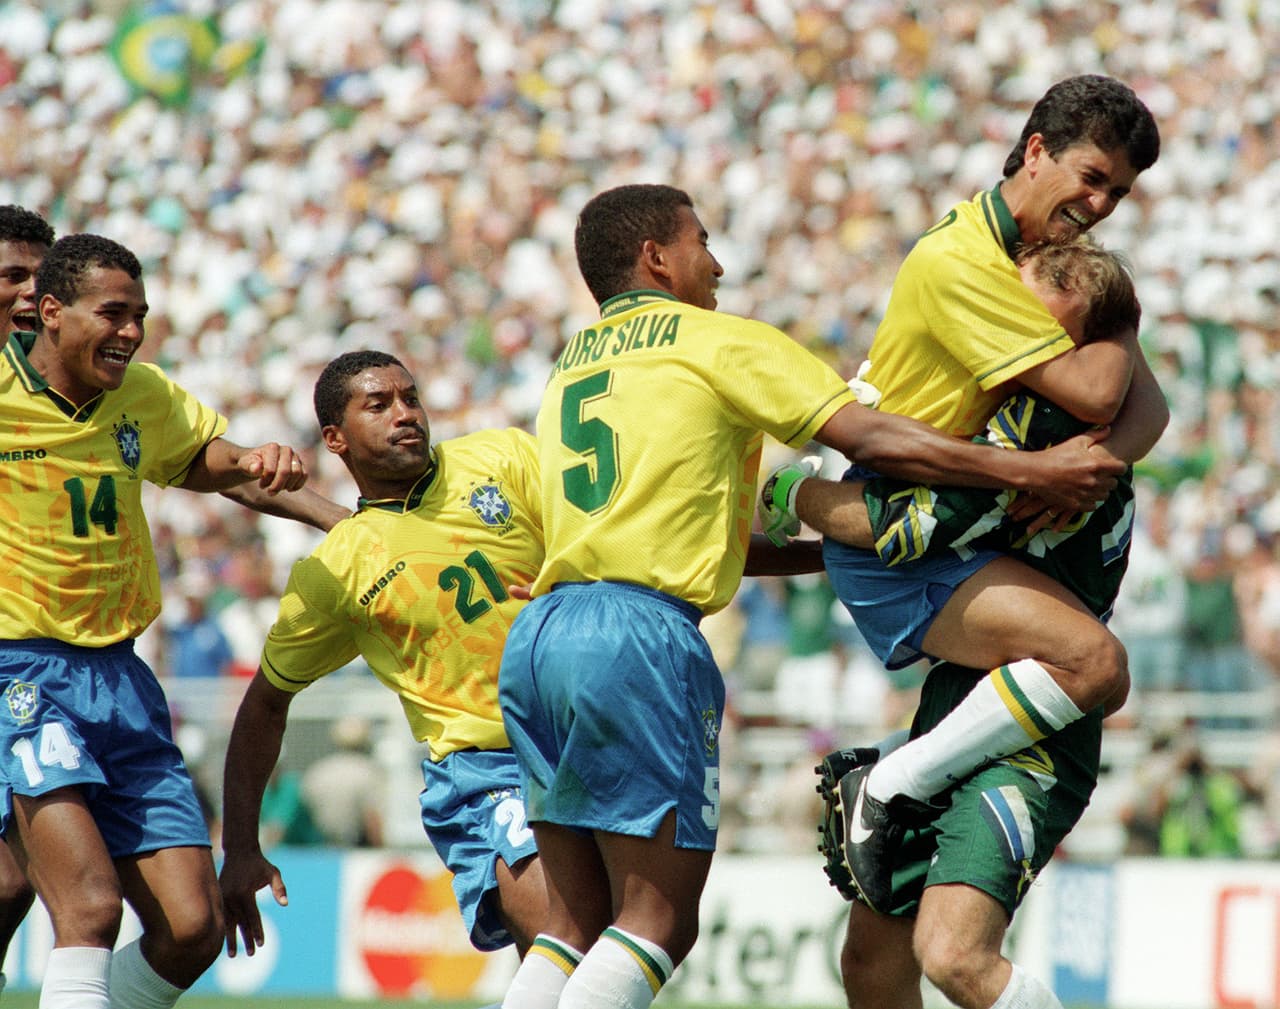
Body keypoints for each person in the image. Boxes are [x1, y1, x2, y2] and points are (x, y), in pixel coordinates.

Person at [494, 183, 1125, 1009]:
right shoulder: (717, 340)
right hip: (640, 635)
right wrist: (1026, 471)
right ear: (656, 258)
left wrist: (817, 540)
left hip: (544, 629)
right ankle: (896, 781)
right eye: (701, 240)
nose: (716, 262)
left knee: (572, 925)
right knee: (655, 921)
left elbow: (699, 533)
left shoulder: (574, 362)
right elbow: (866, 436)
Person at [762, 74, 1166, 915]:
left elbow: (1147, 408)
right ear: (1035, 151)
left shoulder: (1044, 265)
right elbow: (1101, 394)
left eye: (1119, 192)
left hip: (957, 524)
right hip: (909, 525)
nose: (1100, 203)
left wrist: (1090, 469)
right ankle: (885, 786)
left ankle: (888, 792)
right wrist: (1114, 341)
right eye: (1091, 178)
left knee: (884, 934)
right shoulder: (964, 263)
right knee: (1094, 663)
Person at [789, 235, 1146, 1009]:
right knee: (872, 964)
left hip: (1038, 720)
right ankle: (894, 778)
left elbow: (913, 523)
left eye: (1025, 309)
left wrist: (792, 495)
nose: (1002, 323)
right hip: (970, 694)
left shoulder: (1046, 421)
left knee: (953, 954)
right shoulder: (1062, 404)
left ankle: (892, 780)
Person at [0, 233, 310, 1009]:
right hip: (23, 673)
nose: (132, 331)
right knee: (90, 908)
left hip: (123, 678)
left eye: (140, 314)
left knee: (193, 926)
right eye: (113, 313)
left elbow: (215, 462)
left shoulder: (144, 396)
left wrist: (347, 522)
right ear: (50, 314)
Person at [218, 349, 549, 961]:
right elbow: (265, 706)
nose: (406, 414)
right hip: (487, 768)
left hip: (585, 741)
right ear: (335, 439)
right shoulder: (336, 572)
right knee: (562, 937)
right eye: (380, 404)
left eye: (411, 398)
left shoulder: (502, 458)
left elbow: (616, 536)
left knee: (616, 950)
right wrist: (240, 846)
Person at [0, 202, 53, 997]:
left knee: (14, 882)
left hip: (28, 661)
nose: (25, 294)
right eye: (11, 275)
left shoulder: (54, 383)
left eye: (39, 281)